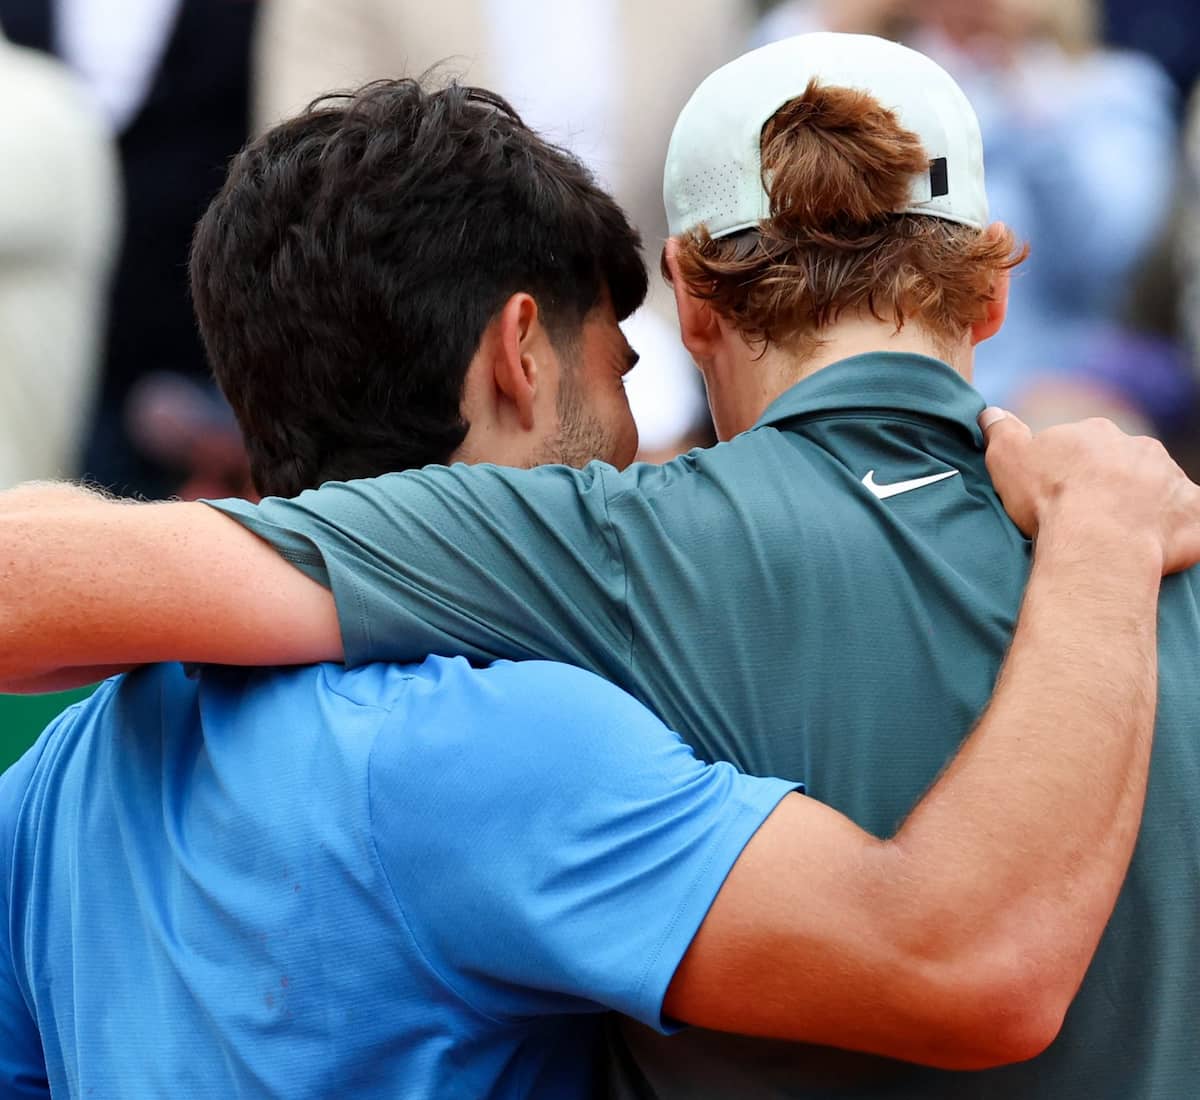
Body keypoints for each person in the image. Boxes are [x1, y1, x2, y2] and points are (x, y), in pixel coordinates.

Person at [0, 49, 1198, 1096]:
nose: (639, 439)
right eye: (621, 367)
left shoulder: (60, 780)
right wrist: (1098, 542)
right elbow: (958, 960)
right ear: (522, 353)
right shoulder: (507, 736)